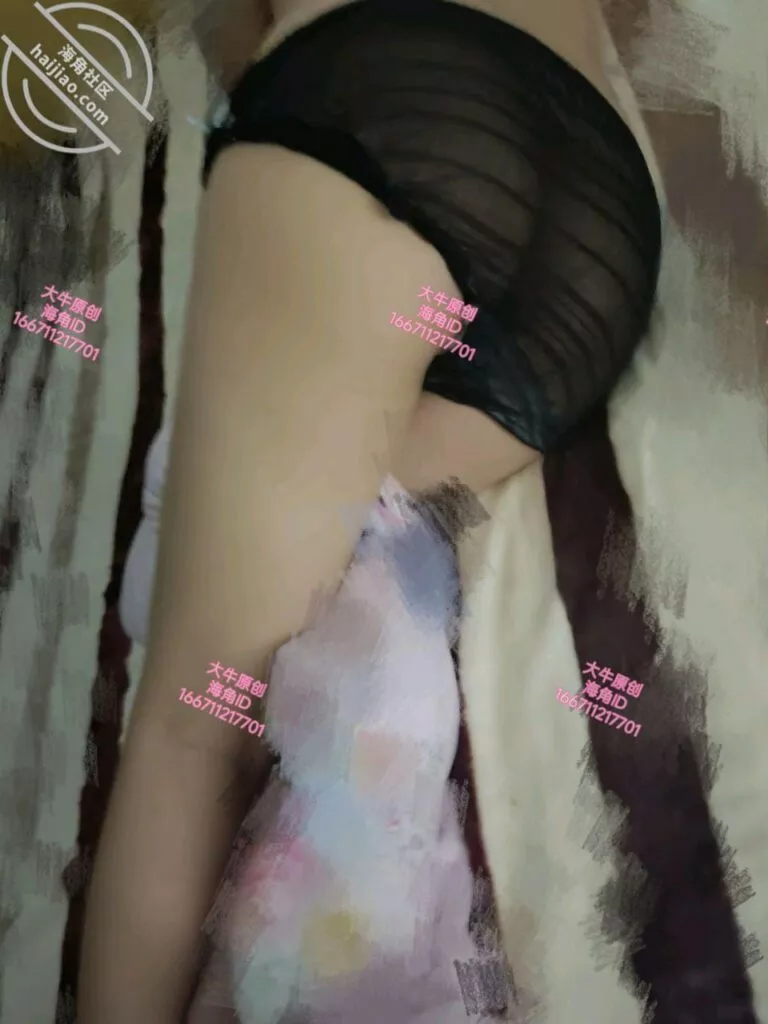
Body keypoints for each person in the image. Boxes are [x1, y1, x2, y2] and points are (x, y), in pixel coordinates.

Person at [78, 0, 662, 1019]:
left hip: (393, 102)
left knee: (199, 721)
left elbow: (227, 33)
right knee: (349, 506)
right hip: (591, 249)